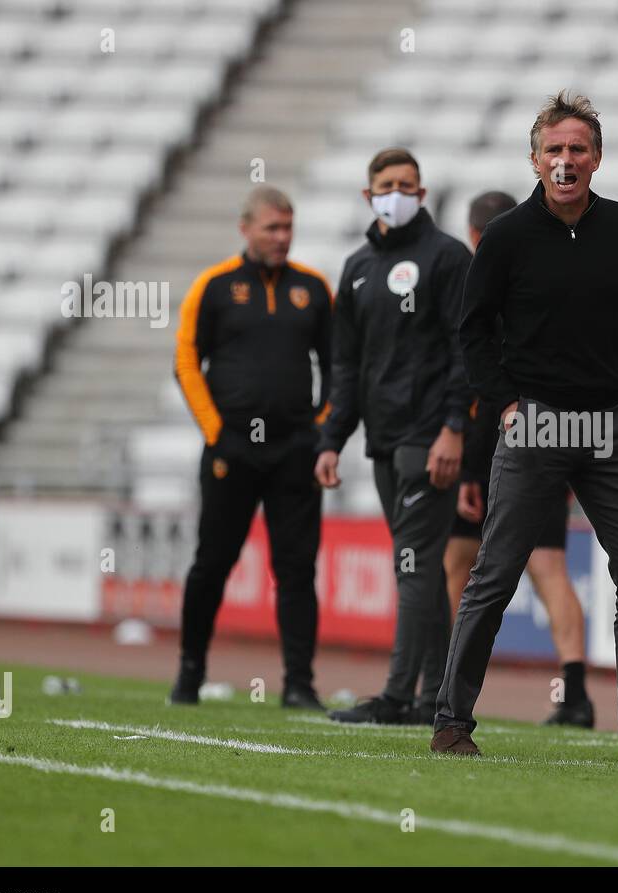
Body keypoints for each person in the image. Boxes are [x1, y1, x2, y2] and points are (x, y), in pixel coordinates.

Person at [432, 92, 618, 762]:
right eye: (554, 150)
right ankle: (451, 721)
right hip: (535, 424)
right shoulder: (505, 237)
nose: (565, 160)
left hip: (612, 427)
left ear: (597, 158)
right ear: (534, 161)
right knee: (495, 574)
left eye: (577, 149)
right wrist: (504, 405)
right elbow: (472, 332)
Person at [315, 147, 472, 725]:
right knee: (421, 568)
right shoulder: (357, 268)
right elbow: (346, 365)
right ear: (369, 194)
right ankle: (434, 697)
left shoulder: (449, 259)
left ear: (423, 194)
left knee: (411, 563)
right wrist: (332, 438)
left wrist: (454, 429)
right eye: (387, 184)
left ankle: (399, 694)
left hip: (428, 439)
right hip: (382, 443)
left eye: (408, 184)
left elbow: (465, 354)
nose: (398, 193)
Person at [170, 185, 332, 710]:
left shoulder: (313, 288)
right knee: (212, 563)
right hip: (231, 449)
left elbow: (339, 369)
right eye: (272, 228)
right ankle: (190, 672)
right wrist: (216, 433)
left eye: (288, 228)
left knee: (297, 569)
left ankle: (300, 684)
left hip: (294, 451)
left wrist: (319, 430)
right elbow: (187, 363)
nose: (282, 238)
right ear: (246, 229)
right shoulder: (213, 287)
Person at [444, 189, 593, 728]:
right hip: (553, 429)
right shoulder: (548, 273)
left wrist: (466, 464)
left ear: (474, 236)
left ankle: (448, 685)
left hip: (497, 440)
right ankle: (575, 691)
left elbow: (474, 378)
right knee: (549, 565)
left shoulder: (483, 280)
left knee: (462, 563)